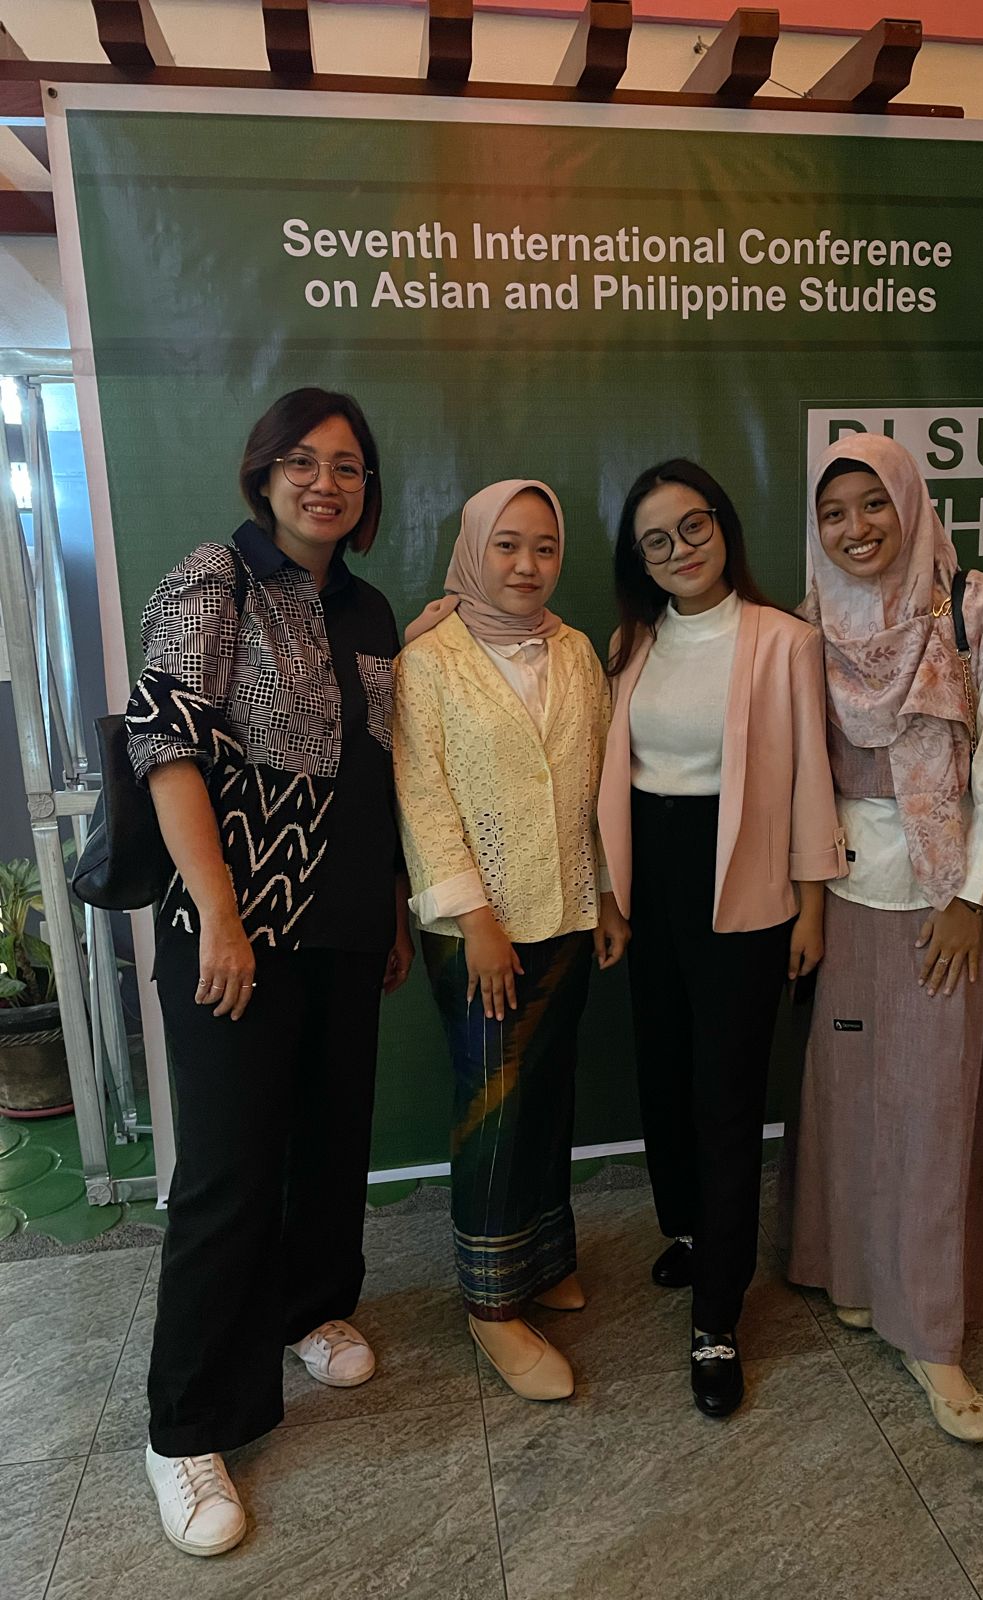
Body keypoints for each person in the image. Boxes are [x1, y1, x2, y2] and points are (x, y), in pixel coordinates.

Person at [127, 387, 413, 1556]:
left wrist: (391, 902)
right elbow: (165, 745)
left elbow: (377, 771)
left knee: (330, 1140)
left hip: (345, 924)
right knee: (230, 1173)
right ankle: (183, 1426)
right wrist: (219, 911)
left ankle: (313, 1308)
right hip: (235, 926)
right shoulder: (216, 578)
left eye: (346, 465)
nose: (324, 483)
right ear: (264, 473)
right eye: (302, 461)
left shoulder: (372, 608)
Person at [781, 433, 983, 1443]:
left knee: (930, 1113)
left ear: (911, 504)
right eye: (834, 512)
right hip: (844, 893)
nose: (856, 528)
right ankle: (850, 1273)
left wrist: (973, 897)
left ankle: (932, 1333)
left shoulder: (973, 609)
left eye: (874, 503)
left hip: (943, 899)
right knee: (845, 1098)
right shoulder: (811, 623)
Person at [597, 459, 845, 1419]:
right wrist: (613, 898)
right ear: (640, 561)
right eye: (656, 541)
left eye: (692, 527)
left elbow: (813, 777)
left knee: (727, 1098)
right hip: (650, 879)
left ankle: (717, 1317)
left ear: (723, 525)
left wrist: (811, 905)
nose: (679, 551)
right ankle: (694, 1230)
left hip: (744, 879)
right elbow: (612, 779)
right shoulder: (631, 641)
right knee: (662, 1076)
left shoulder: (784, 640)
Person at [393, 479, 626, 1403]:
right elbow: (423, 801)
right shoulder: (429, 662)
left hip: (566, 913)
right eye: (508, 546)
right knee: (493, 1107)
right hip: (476, 933)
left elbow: (598, 785)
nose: (527, 565)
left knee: (549, 1092)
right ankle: (491, 1306)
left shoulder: (575, 651)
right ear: (474, 549)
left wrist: (606, 897)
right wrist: (477, 921)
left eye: (544, 547)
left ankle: (542, 1260)